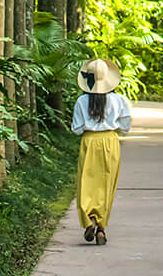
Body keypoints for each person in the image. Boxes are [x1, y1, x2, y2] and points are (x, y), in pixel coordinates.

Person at [71, 57, 132, 246]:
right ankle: (101, 229)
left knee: (86, 184)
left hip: (89, 142)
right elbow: (126, 126)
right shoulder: (119, 100)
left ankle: (88, 220)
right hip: (110, 141)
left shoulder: (82, 101)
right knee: (106, 185)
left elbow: (77, 128)